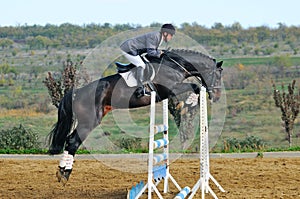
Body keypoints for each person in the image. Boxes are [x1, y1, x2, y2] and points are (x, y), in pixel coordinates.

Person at [120, 23, 176, 98]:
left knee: (145, 63)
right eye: (171, 35)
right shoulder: (155, 36)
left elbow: (152, 51)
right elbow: (151, 52)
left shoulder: (159, 37)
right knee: (141, 65)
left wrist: (161, 52)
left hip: (134, 50)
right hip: (128, 49)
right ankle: (139, 89)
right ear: (165, 33)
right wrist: (160, 52)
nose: (171, 37)